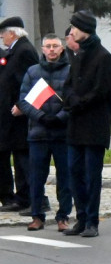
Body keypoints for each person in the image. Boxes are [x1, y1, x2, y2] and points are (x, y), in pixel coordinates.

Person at [64, 10, 111, 238]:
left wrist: (80, 102)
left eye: (74, 27)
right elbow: (68, 84)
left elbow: (101, 91)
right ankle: (81, 218)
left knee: (92, 175)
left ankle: (92, 221)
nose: (71, 32)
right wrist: (70, 99)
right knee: (74, 172)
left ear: (84, 29)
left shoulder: (103, 56)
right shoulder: (77, 55)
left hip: (94, 126)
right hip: (76, 125)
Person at [18, 33, 71, 231]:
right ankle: (37, 216)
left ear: (61, 48)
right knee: (36, 177)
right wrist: (40, 117)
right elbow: (23, 100)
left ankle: (63, 216)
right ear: (42, 49)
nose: (51, 50)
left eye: (55, 46)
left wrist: (58, 118)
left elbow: (72, 100)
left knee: (65, 177)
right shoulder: (32, 72)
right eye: (47, 46)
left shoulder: (70, 71)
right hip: (38, 133)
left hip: (62, 133)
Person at [0, 16, 38, 214]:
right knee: (18, 156)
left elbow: (31, 82)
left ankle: (31, 198)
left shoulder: (24, 51)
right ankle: (22, 198)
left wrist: (21, 105)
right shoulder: (15, 50)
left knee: (24, 158)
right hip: (12, 115)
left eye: (3, 33)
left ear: (12, 33)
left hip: (20, 115)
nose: (1, 37)